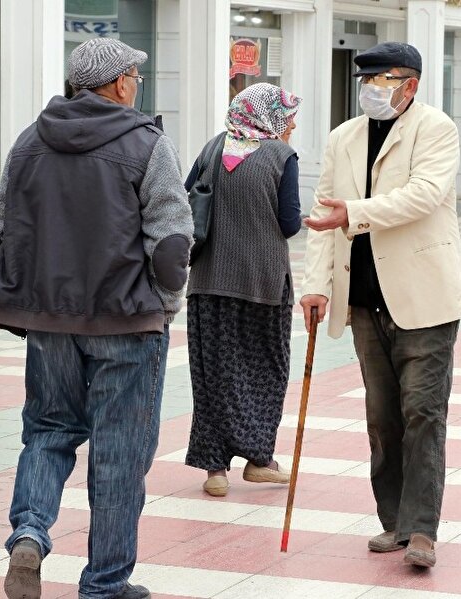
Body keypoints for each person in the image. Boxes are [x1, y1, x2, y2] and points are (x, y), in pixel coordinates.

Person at [0, 38, 193, 599]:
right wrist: (167, 302)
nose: (136, 88)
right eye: (135, 79)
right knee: (119, 457)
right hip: (126, 321)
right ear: (120, 83)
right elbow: (171, 241)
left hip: (50, 323)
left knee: (48, 432)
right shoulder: (146, 143)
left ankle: (29, 532)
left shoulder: (30, 140)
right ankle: (105, 582)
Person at [300, 42, 461, 569]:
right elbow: (322, 217)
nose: (371, 87)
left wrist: (355, 212)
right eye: (365, 79)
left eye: (382, 79)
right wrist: (316, 285)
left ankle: (423, 530)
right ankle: (393, 520)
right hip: (366, 303)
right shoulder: (342, 138)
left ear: (409, 84)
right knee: (382, 419)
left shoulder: (435, 130)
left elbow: (424, 194)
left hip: (424, 300)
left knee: (423, 413)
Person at [183, 83, 302, 497]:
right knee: (265, 369)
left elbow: (185, 201)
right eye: (287, 116)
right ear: (270, 116)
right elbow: (289, 223)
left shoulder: (213, 148)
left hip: (208, 285)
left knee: (213, 375)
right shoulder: (281, 157)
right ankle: (259, 459)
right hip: (262, 284)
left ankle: (215, 470)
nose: (292, 125)